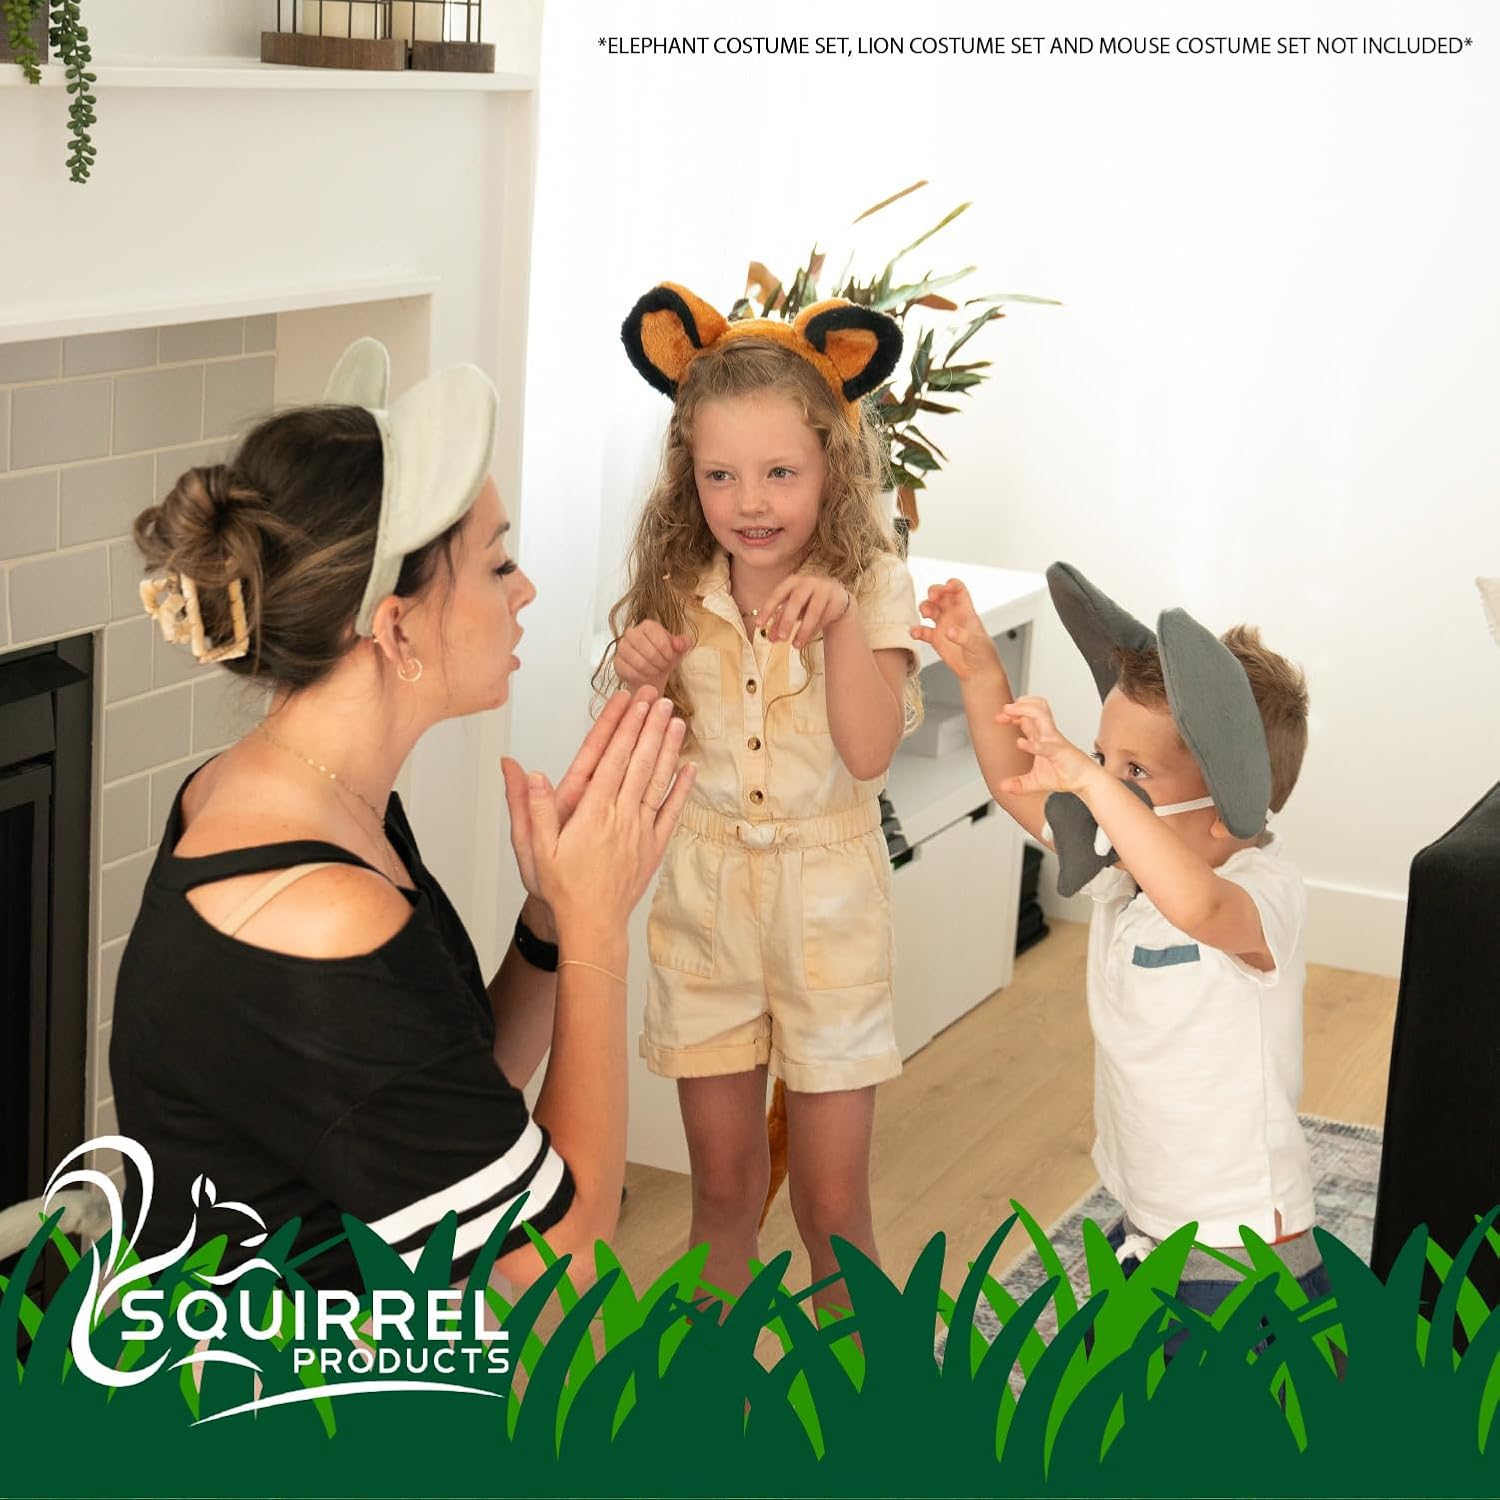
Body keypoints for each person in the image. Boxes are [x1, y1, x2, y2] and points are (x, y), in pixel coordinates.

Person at [112, 338, 694, 1294]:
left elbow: (448, 1103)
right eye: (499, 565)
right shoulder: (315, 908)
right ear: (395, 626)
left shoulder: (300, 799)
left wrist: (551, 924)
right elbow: (555, 1259)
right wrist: (600, 930)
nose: (526, 590)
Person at [599, 283, 921, 1316]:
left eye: (781, 472)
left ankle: (872, 1407)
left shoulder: (872, 585)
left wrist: (838, 625)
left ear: (832, 465)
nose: (750, 502)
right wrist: (642, 680)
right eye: (720, 475)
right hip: (706, 908)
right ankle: (710, 1403)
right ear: (686, 475)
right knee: (725, 1198)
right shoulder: (678, 582)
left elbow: (868, 754)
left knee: (832, 1208)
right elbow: (640, 767)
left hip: (829, 910)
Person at [914, 566, 1331, 1357]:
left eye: (1134, 772)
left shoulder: (1261, 893)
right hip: (1153, 1212)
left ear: (1228, 803)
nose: (1104, 785)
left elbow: (1198, 907)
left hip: (1240, 1241)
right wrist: (980, 673)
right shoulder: (1127, 872)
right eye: (1104, 758)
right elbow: (1016, 787)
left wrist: (1089, 782)